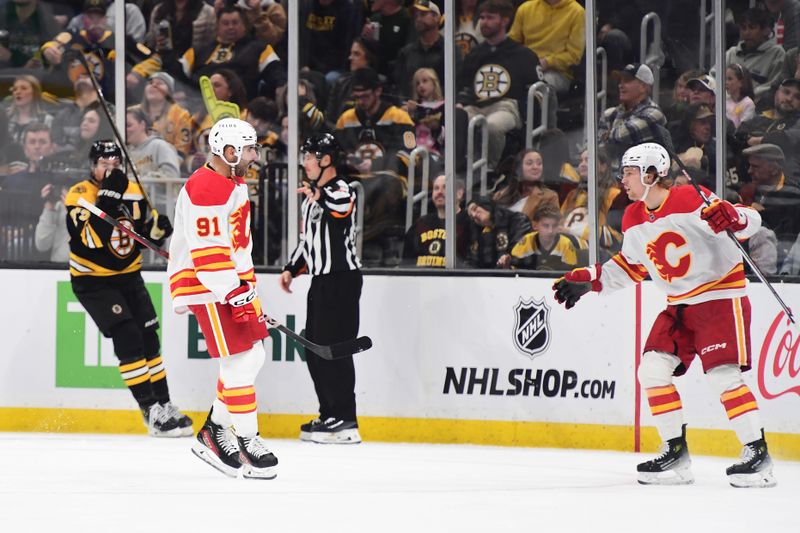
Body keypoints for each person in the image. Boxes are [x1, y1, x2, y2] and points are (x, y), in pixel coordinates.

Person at [552, 142, 777, 488]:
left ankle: (757, 453)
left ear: (651, 174)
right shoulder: (633, 217)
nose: (622, 180)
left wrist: (735, 216)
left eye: (629, 173)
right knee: (652, 370)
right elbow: (632, 267)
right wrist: (592, 281)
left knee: (723, 375)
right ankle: (675, 452)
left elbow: (749, 221)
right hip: (679, 305)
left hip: (719, 298)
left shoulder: (691, 198)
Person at [167, 118, 278, 479]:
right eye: (248, 149)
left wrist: (246, 286)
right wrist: (231, 289)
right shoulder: (207, 187)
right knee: (239, 360)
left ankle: (214, 430)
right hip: (209, 286)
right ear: (228, 151)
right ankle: (247, 439)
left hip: (232, 284)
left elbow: (234, 245)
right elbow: (209, 253)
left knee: (253, 355)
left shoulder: (231, 182)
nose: (254, 155)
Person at [64, 140, 192, 438]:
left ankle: (165, 403)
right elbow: (90, 240)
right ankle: (150, 410)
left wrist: (158, 230)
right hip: (94, 281)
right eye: (103, 165)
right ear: (92, 166)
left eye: (115, 165)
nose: (109, 171)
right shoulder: (79, 195)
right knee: (128, 336)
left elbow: (143, 232)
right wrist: (107, 197)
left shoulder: (133, 191)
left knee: (149, 340)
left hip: (129, 276)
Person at [279, 133, 363, 445]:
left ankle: (346, 418)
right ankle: (329, 413)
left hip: (342, 279)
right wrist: (291, 268)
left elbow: (341, 208)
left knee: (336, 349)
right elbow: (308, 242)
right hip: (321, 281)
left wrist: (317, 194)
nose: (305, 162)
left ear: (326, 159)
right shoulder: (311, 199)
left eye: (310, 156)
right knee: (314, 348)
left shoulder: (340, 188)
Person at [457, 0, 541, 170]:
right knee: (457, 117)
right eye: (481, 17)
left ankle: (490, 169)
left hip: (506, 107)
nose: (484, 22)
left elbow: (538, 90)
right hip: (476, 106)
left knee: (493, 126)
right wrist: (460, 103)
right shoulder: (474, 54)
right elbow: (463, 86)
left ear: (505, 20)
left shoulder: (523, 55)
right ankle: (461, 166)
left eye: (490, 17)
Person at [402, 174, 470, 267]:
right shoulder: (421, 223)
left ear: (459, 193)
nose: (439, 192)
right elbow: (407, 261)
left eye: (445, 188)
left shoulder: (468, 223)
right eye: (436, 188)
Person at [497, 203, 587, 270]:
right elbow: (514, 270)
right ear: (535, 226)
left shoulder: (566, 244)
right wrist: (506, 264)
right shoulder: (527, 240)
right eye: (545, 226)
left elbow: (570, 273)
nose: (550, 231)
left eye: (554, 226)